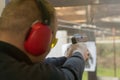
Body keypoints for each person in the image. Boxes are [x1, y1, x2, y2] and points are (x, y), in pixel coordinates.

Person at [0, 0, 89, 80]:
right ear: (40, 36)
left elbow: (44, 64)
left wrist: (67, 58)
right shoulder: (22, 74)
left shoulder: (8, 63)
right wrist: (79, 52)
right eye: (52, 42)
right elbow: (69, 76)